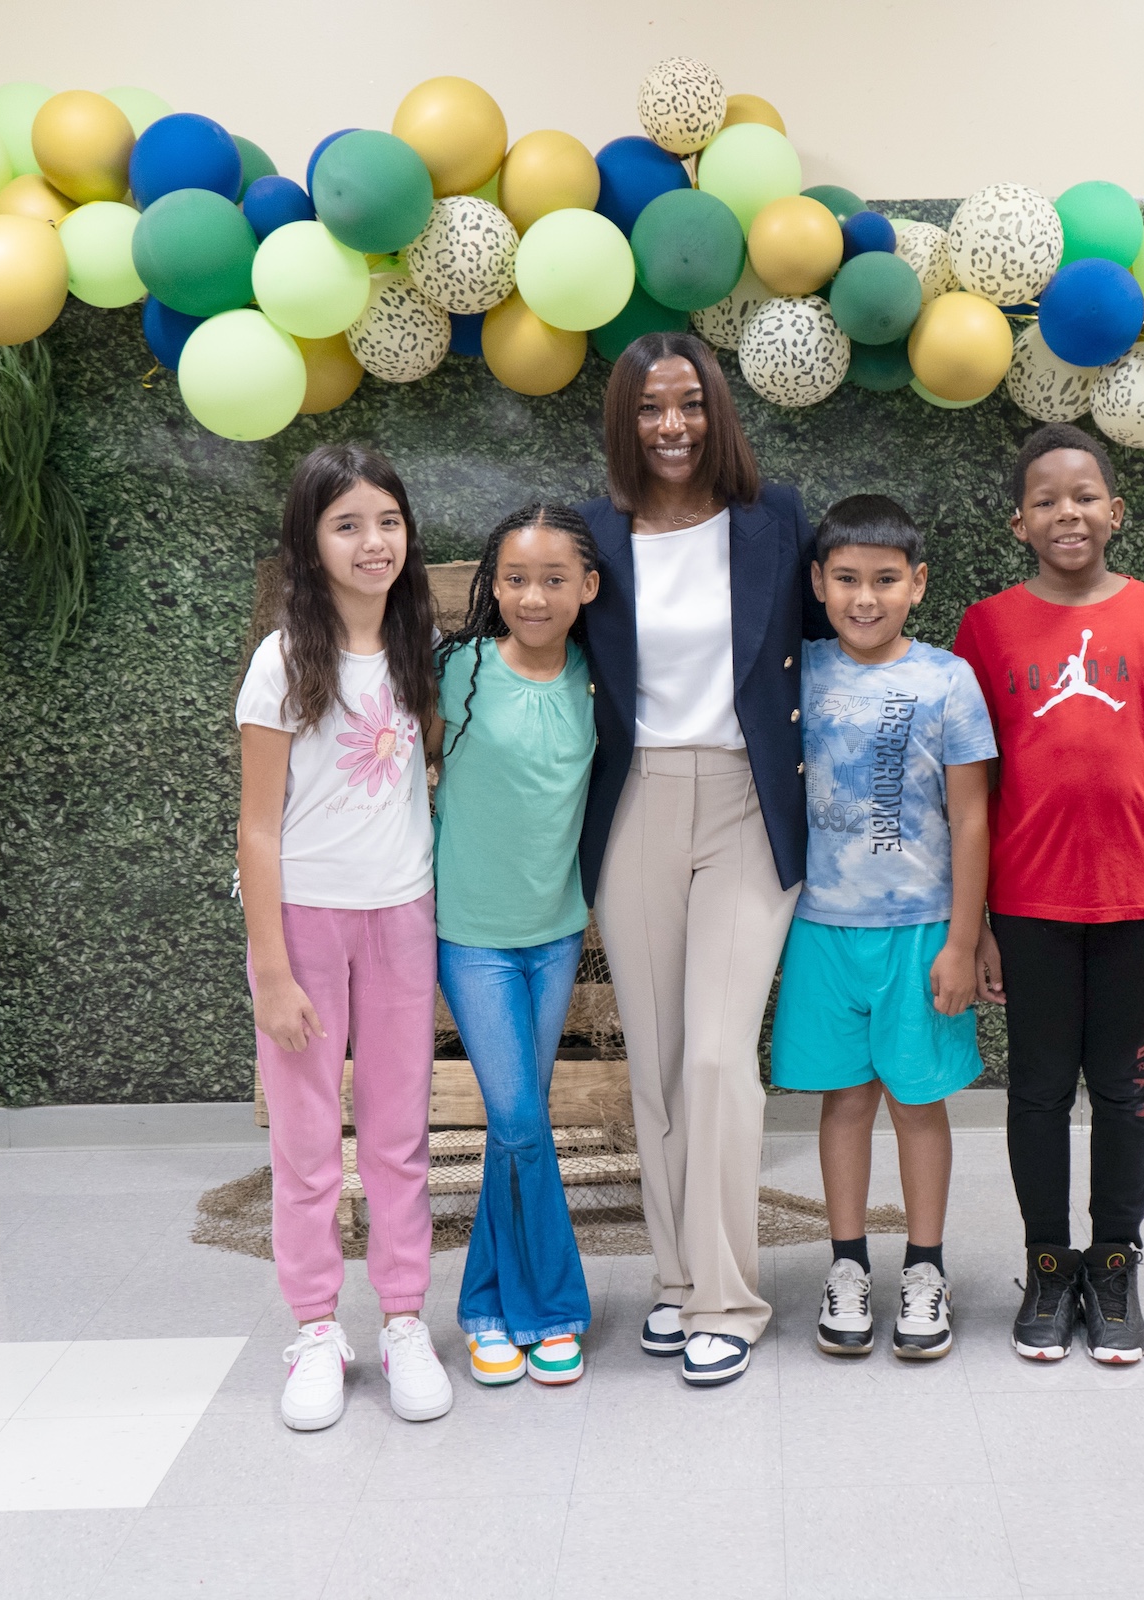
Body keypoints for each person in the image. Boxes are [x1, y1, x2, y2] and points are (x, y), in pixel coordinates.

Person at [575, 330, 828, 1388]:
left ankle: (728, 1297)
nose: (670, 424)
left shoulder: (776, 520)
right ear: (624, 421)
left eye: (687, 403)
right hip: (634, 801)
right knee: (661, 1061)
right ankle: (677, 1279)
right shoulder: (591, 531)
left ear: (717, 411)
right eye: (648, 407)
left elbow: (832, 644)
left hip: (745, 801)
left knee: (720, 1057)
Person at [952, 422, 1144, 1366]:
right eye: (1044, 500)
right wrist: (978, 925)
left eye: (1083, 495)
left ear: (1116, 510)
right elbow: (973, 789)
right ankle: (1046, 1264)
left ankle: (1112, 1263)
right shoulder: (986, 628)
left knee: (1122, 1088)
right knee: (1035, 1092)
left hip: (1137, 903)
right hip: (1027, 906)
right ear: (1018, 524)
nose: (1066, 512)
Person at [236, 443, 454, 1429]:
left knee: (401, 1138)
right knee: (308, 1143)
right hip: (306, 926)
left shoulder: (419, 648)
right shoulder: (283, 661)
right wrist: (273, 971)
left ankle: (404, 1318)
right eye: (348, 524)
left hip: (403, 917)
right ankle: (317, 1327)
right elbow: (257, 827)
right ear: (310, 541)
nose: (374, 542)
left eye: (388, 522)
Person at [771, 495, 995, 1363]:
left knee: (917, 1101)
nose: (865, 598)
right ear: (818, 583)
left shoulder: (948, 680)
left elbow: (971, 818)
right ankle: (848, 1265)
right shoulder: (795, 670)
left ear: (918, 583)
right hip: (823, 928)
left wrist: (963, 941)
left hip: (921, 932)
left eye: (885, 580)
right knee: (845, 1101)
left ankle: (926, 1268)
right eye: (847, 579)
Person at [432, 503, 601, 1389]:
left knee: (514, 1124)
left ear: (588, 587)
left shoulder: (600, 679)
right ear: (492, 588)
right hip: (472, 936)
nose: (533, 596)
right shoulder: (455, 671)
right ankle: (554, 1307)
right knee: (522, 1118)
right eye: (515, 579)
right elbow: (402, 768)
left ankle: (489, 1306)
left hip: (556, 931)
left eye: (553, 579)